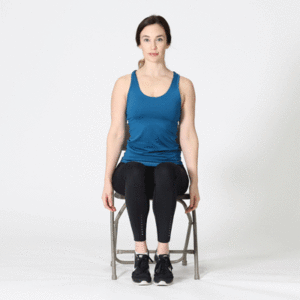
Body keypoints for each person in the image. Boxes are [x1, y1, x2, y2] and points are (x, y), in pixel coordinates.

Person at [102, 15, 200, 285]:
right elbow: (116, 133)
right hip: (133, 166)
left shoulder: (183, 86)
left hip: (170, 167)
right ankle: (141, 255)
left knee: (165, 173)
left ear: (167, 42)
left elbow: (188, 135)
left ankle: (164, 256)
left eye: (159, 39)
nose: (153, 45)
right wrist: (107, 180)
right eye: (147, 39)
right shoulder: (124, 84)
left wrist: (195, 181)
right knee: (134, 171)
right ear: (139, 44)